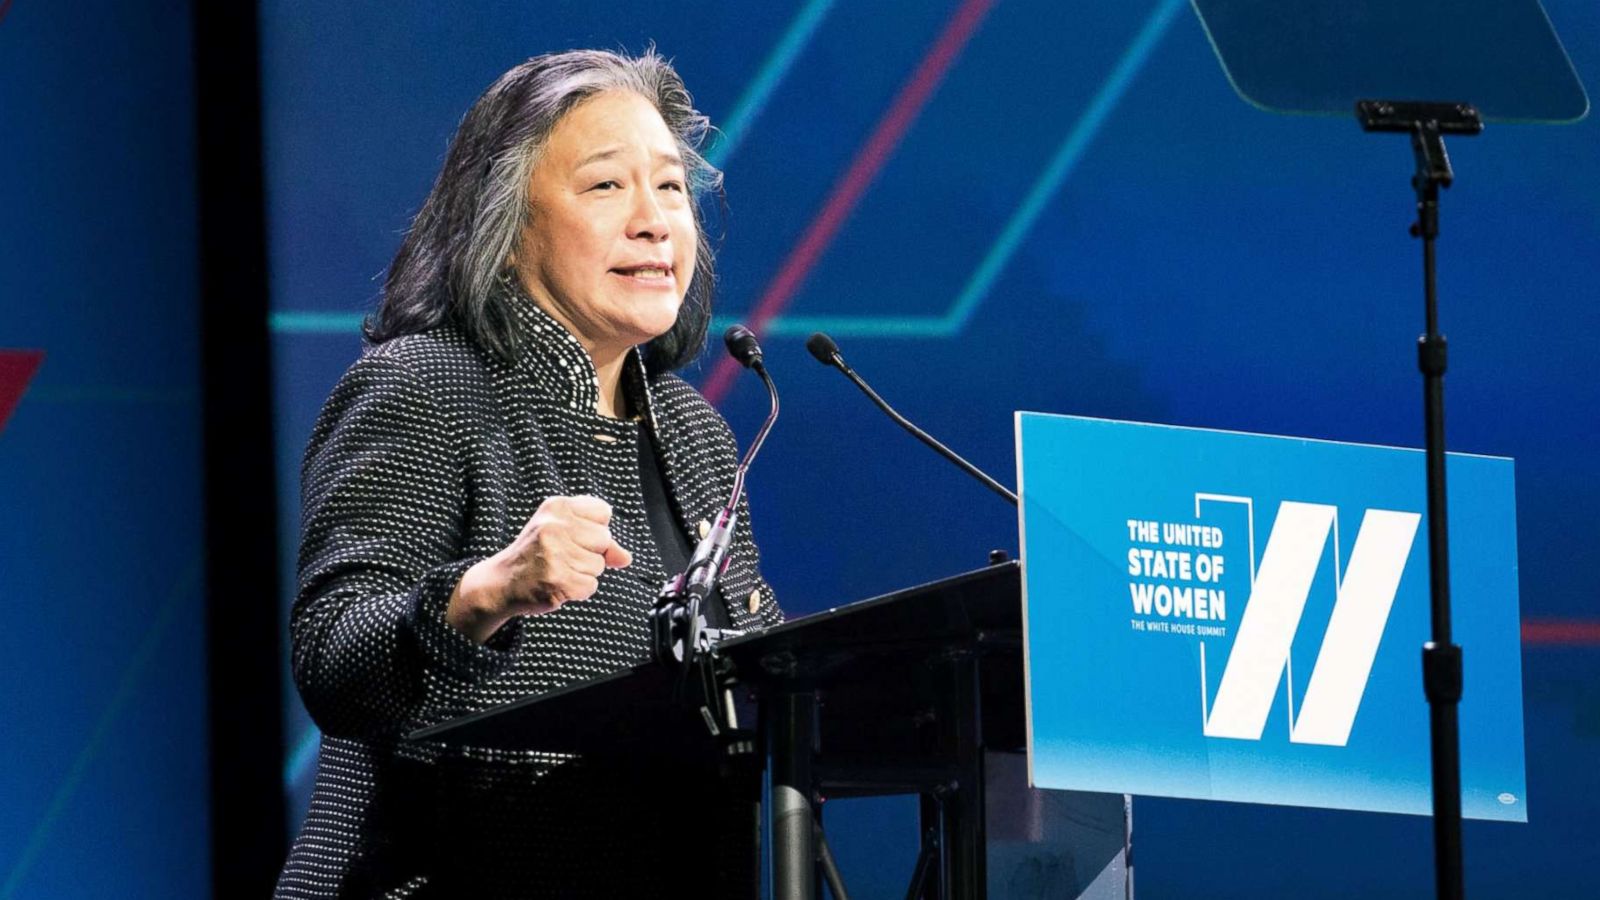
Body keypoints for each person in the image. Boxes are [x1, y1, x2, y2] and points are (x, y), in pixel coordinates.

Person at [274, 49, 783, 899]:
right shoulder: (427, 385)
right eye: (605, 187)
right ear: (505, 228)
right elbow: (332, 657)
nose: (656, 221)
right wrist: (485, 591)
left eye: (670, 188)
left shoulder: (695, 435)